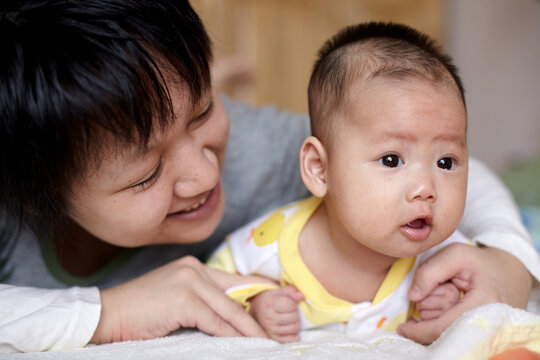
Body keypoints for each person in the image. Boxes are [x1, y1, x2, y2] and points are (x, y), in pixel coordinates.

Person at [0, 0, 537, 353]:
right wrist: (108, 313)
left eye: (204, 112)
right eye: (146, 174)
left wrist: (509, 260)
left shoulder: (257, 153)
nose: (203, 172)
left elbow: (445, 165)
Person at [207, 21, 471, 343]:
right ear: (319, 169)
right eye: (391, 160)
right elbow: (213, 284)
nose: (426, 189)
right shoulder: (265, 250)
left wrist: (451, 300)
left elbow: (480, 296)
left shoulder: (448, 256)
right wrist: (255, 301)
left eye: (446, 162)